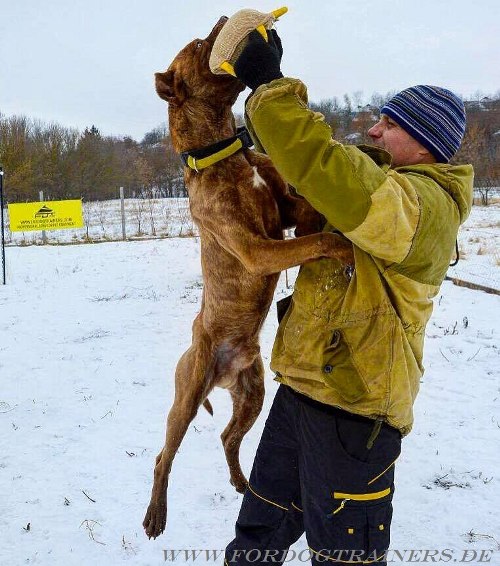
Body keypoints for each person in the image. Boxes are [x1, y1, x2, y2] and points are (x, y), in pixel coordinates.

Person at [223, 28, 474, 566]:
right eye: (377, 119)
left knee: (343, 558)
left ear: (426, 143)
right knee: (257, 535)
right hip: (301, 392)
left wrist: (270, 85)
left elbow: (329, 169)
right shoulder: (384, 186)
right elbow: (311, 172)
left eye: (390, 124)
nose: (374, 131)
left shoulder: (422, 207)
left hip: (356, 418)